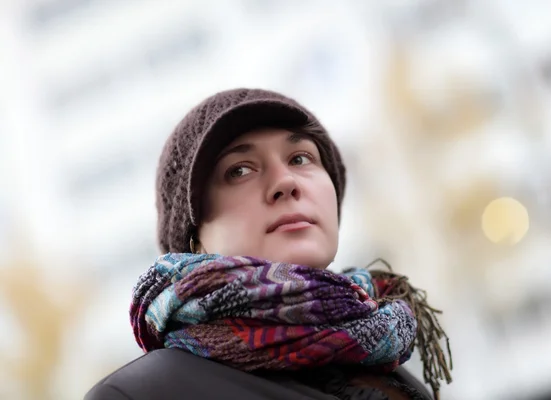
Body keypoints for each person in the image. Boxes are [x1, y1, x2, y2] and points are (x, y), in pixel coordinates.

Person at [84, 88, 453, 400]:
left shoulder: (385, 362)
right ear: (192, 239)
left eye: (300, 158)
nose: (286, 182)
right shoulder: (141, 395)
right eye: (239, 170)